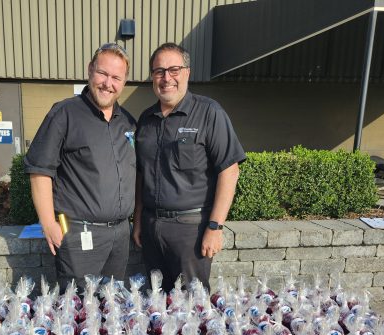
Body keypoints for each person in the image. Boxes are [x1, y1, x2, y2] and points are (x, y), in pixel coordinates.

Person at [132, 43, 246, 292]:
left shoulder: (209, 113)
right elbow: (141, 174)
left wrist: (215, 227)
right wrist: (139, 219)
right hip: (152, 230)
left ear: (187, 72)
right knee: (155, 302)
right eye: (159, 71)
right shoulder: (146, 120)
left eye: (174, 69)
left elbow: (229, 170)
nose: (166, 78)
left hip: (191, 232)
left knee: (191, 306)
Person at [23, 43, 136, 288]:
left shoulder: (127, 122)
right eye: (103, 73)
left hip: (119, 236)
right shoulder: (64, 114)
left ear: (124, 82)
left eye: (116, 77)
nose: (108, 83)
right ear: (90, 70)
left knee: (113, 306)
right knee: (78, 310)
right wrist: (48, 223)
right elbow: (40, 170)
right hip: (78, 235)